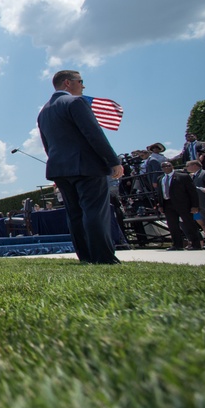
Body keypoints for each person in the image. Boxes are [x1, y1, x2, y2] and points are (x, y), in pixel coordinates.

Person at [36, 70, 123, 264]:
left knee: (75, 214)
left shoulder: (43, 112)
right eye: (80, 81)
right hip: (86, 166)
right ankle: (103, 257)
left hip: (60, 169)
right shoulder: (76, 103)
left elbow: (47, 145)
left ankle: (85, 256)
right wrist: (113, 161)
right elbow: (94, 134)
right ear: (68, 83)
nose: (83, 86)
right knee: (94, 211)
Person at [156, 161, 203, 250]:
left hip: (182, 204)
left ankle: (196, 244)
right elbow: (159, 193)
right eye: (163, 166)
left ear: (172, 166)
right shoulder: (160, 179)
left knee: (189, 224)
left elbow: (192, 192)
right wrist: (161, 205)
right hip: (167, 204)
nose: (166, 167)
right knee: (172, 225)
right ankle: (177, 244)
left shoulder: (183, 176)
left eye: (168, 165)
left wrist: (195, 205)